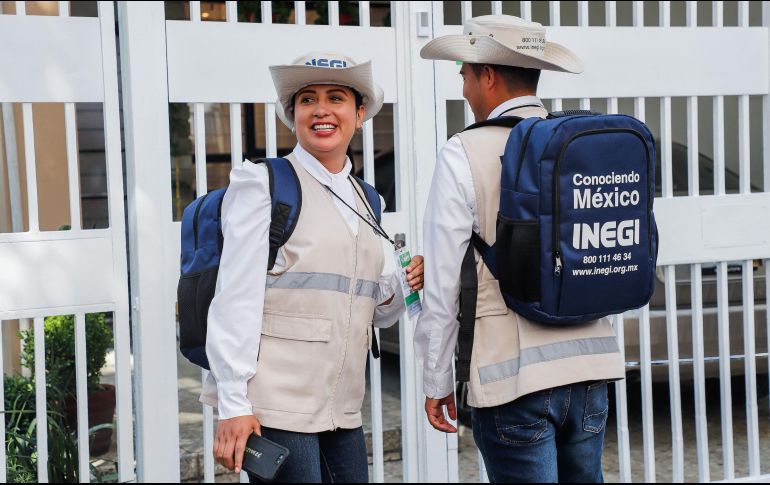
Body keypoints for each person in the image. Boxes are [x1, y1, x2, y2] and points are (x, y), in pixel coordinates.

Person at [415, 15, 624, 483]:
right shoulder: (577, 143)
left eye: (465, 75)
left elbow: (443, 285)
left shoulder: (463, 152)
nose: (463, 87)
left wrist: (437, 380)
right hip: (589, 367)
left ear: (488, 75)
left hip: (513, 377)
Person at [200, 51, 424, 483]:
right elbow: (235, 297)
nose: (321, 110)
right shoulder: (263, 185)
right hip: (276, 406)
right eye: (307, 100)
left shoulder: (368, 200)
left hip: (342, 408)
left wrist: (406, 282)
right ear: (293, 116)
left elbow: (376, 312)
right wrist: (233, 405)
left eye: (336, 98)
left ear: (359, 114)